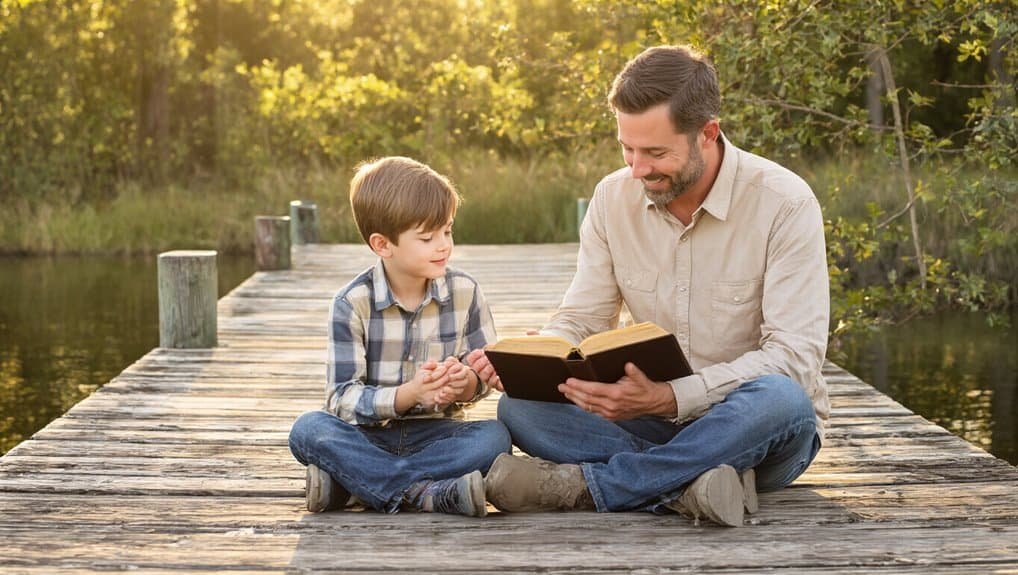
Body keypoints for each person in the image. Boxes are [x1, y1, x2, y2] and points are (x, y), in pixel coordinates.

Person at [470, 45, 830, 527]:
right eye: (628, 148)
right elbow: (583, 317)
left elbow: (794, 359)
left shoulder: (785, 203)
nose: (638, 169)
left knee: (782, 399)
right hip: (645, 423)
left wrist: (670, 397)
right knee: (520, 408)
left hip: (749, 426)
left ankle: (591, 488)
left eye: (656, 153)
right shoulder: (611, 198)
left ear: (707, 133)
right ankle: (691, 488)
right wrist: (541, 353)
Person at [289, 156, 510, 518]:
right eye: (427, 238)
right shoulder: (352, 303)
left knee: (495, 437)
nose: (443, 245)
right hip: (368, 435)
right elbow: (341, 398)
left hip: (435, 435)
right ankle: (425, 494)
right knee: (308, 429)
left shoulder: (465, 291)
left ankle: (353, 486)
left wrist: (466, 382)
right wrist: (410, 394)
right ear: (382, 244)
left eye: (447, 231)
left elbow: (484, 372)